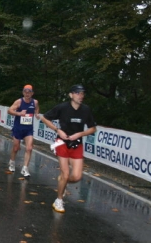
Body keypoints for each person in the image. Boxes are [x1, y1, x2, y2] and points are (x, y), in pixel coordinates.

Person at [41, 84, 96, 213]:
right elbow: (45, 118)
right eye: (78, 93)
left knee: (76, 177)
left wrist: (80, 134)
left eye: (82, 93)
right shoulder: (62, 107)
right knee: (65, 173)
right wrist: (57, 130)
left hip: (77, 144)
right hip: (62, 142)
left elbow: (93, 128)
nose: (80, 96)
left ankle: (63, 182)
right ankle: (59, 200)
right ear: (71, 95)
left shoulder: (86, 110)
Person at [7, 84, 40, 177]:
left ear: (32, 93)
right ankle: (12, 163)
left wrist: (36, 114)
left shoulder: (35, 102)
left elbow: (37, 108)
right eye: (25, 92)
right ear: (23, 93)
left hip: (28, 130)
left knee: (29, 148)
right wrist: (19, 113)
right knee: (16, 148)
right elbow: (9, 110)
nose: (27, 94)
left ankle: (25, 169)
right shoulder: (19, 102)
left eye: (29, 92)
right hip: (18, 128)